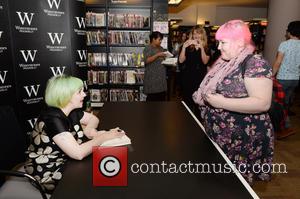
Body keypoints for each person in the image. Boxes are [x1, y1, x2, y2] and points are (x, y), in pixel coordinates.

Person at [193, 20, 274, 184]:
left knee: (234, 186)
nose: (219, 47)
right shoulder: (225, 62)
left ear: (239, 43)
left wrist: (221, 102)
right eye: (218, 42)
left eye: (223, 42)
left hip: (243, 139)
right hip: (221, 135)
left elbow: (262, 103)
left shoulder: (255, 63)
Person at [24, 75, 125, 195]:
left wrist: (89, 130)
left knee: (107, 170)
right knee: (101, 176)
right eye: (79, 92)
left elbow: (94, 120)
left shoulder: (71, 111)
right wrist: (104, 136)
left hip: (67, 161)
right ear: (66, 95)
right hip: (47, 171)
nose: (84, 94)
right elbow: (78, 154)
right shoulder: (52, 118)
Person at [272, 20, 300, 138]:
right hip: (295, 79)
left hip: (283, 78)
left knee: (277, 104)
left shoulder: (284, 44)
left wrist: (271, 75)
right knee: (286, 102)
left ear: (290, 31)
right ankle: (284, 126)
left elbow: (278, 62)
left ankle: (284, 127)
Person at [179, 25, 210, 114]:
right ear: (191, 35)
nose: (196, 36)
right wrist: (184, 47)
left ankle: (198, 122)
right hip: (187, 76)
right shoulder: (187, 46)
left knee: (198, 103)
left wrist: (201, 49)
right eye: (194, 33)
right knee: (187, 102)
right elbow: (181, 61)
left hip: (200, 78)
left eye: (199, 33)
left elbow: (205, 62)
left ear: (202, 35)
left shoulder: (206, 47)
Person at [143, 31, 167, 101]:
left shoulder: (161, 48)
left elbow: (163, 59)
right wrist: (158, 55)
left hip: (161, 80)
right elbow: (146, 60)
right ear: (153, 39)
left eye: (161, 40)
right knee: (152, 102)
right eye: (159, 39)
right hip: (152, 80)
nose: (160, 41)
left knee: (161, 102)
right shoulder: (148, 48)